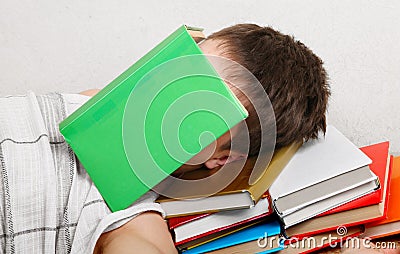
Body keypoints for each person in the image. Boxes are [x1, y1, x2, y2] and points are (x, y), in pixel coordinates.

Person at [0, 24, 330, 253]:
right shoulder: (97, 104)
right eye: (180, 70)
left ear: (220, 158)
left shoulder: (129, 218)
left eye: (198, 108)